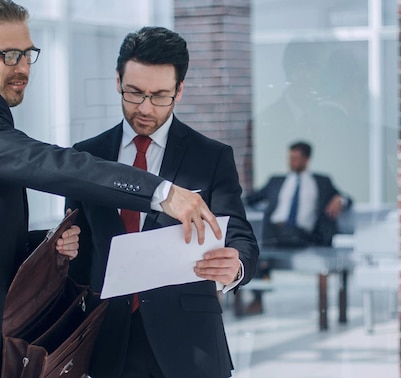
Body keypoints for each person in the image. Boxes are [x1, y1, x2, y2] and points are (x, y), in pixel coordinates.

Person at [0, 2, 221, 378]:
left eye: (27, 54)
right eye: (9, 55)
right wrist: (163, 193)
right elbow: (49, 164)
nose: (22, 67)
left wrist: (48, 244)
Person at [64, 26, 259, 378]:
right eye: (134, 93)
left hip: (190, 344)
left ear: (179, 91)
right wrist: (62, 251)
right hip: (107, 343)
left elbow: (241, 236)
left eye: (159, 96)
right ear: (117, 81)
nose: (145, 108)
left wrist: (237, 266)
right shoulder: (87, 157)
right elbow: (78, 260)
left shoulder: (211, 157)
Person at [240, 141, 352, 315]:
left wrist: (340, 199)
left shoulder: (322, 181)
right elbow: (251, 198)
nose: (292, 162)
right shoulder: (276, 181)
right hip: (274, 234)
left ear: (307, 159)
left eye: (296, 158)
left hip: (303, 236)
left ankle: (259, 294)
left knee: (269, 242)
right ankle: (257, 299)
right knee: (253, 251)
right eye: (290, 158)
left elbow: (348, 199)